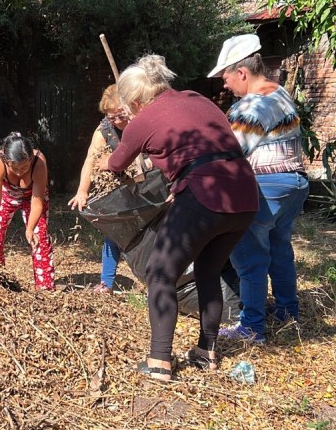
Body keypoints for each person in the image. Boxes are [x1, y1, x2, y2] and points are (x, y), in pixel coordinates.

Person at [98, 54, 259, 382]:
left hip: (206, 194)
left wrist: (102, 164)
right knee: (208, 270)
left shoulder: (143, 120)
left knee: (160, 273)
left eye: (129, 107)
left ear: (138, 100)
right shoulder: (197, 99)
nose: (129, 113)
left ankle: (159, 362)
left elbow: (116, 164)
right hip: (244, 195)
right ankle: (206, 352)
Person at [208, 34, 310, 344]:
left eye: (226, 77)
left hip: (266, 186)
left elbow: (228, 152)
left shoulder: (251, 105)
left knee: (249, 255)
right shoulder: (279, 93)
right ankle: (287, 312)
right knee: (279, 250)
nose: (224, 85)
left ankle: (251, 327)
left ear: (242, 72)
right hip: (295, 183)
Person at [68, 84, 132, 294]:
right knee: (112, 231)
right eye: (111, 117)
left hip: (147, 185)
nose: (117, 121)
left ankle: (158, 281)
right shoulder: (104, 129)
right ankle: (106, 283)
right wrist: (82, 191)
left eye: (120, 116)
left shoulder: (139, 121)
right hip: (119, 187)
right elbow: (91, 160)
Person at [0, 132, 55, 290]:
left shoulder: (39, 162)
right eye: (15, 168)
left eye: (24, 167)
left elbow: (37, 200)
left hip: (33, 199)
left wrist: (29, 228)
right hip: (7, 197)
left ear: (31, 159)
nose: (20, 172)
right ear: (7, 161)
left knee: (38, 237)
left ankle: (45, 289)